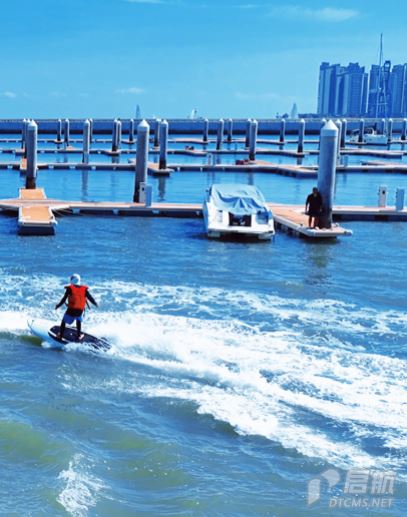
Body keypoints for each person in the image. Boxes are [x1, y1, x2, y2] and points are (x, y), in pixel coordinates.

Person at [55, 274, 98, 341]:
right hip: (80, 310)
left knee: (63, 321)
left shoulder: (70, 289)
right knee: (78, 321)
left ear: (71, 280)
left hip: (71, 310)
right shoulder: (84, 289)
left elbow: (64, 299)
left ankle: (60, 335)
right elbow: (90, 298)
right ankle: (79, 335)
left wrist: (58, 305)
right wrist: (95, 304)